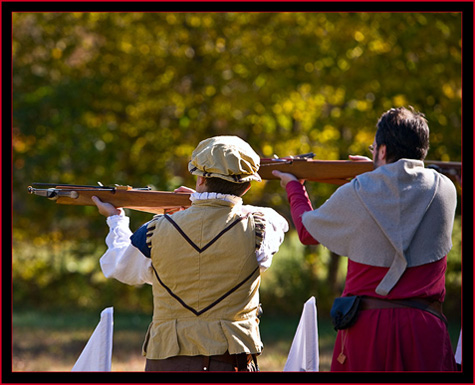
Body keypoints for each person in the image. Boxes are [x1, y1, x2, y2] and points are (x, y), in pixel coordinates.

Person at [272, 107, 458, 371]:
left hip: (368, 332)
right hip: (425, 330)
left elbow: (306, 231)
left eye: (375, 149)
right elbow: (401, 189)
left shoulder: (358, 192)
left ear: (381, 151)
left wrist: (294, 186)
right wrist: (373, 174)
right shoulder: (446, 190)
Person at [92, 135, 289, 372]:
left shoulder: (155, 229)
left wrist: (116, 220)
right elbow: (276, 220)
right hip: (229, 362)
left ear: (200, 179)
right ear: (247, 186)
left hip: (165, 362)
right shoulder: (262, 226)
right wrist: (205, 202)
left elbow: (119, 267)